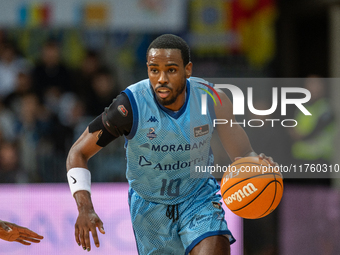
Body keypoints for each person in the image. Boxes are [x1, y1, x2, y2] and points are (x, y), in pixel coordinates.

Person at [66, 34, 277, 254]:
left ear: (188, 70)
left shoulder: (212, 98)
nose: (161, 79)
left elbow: (242, 154)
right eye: (154, 70)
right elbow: (78, 152)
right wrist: (85, 208)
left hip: (198, 198)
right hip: (149, 208)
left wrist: (256, 164)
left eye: (171, 70)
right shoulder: (129, 105)